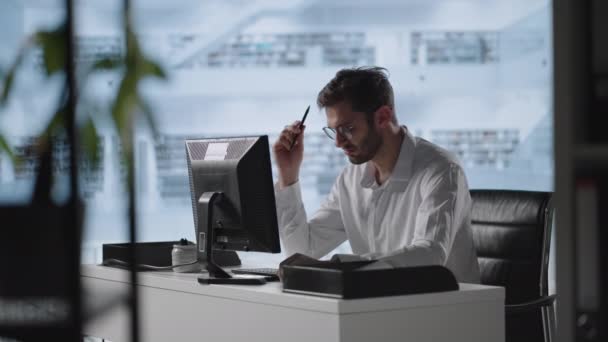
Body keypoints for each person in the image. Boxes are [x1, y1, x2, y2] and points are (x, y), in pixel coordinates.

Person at [273, 66, 480, 283]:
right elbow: (302, 250)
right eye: (334, 131)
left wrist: (342, 266)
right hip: (381, 304)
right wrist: (288, 175)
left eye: (348, 129)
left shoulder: (440, 169)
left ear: (382, 116)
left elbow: (430, 253)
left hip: (444, 309)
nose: (338, 142)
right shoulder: (351, 178)